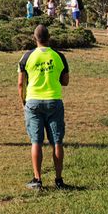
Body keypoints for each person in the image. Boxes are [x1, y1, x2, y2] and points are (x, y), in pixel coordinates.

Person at [18, 24, 69, 190]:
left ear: (35, 38)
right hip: (54, 100)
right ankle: (59, 179)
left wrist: (23, 100)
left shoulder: (26, 57)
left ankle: (37, 179)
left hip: (33, 101)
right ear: (49, 37)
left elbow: (20, 83)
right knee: (57, 142)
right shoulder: (59, 56)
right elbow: (65, 81)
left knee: (36, 142)